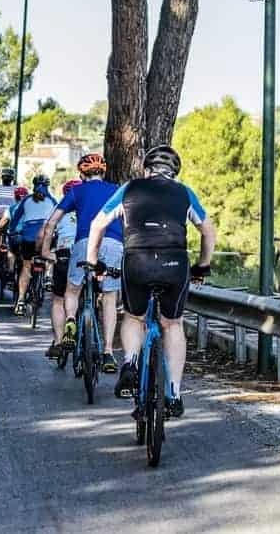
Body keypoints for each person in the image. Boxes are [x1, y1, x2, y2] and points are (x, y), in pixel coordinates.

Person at [87, 145, 216, 419]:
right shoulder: (184, 192)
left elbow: (97, 225)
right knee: (172, 324)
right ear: (174, 172)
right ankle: (174, 393)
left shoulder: (129, 189)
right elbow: (207, 229)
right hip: (174, 262)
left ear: (146, 169)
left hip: (137, 260)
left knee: (134, 317)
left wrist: (92, 261)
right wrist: (202, 265)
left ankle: (131, 364)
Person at [39, 153, 123, 374]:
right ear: (103, 171)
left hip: (85, 243)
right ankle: (107, 352)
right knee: (110, 297)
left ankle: (69, 321)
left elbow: (51, 223)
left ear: (81, 174)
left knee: (72, 290)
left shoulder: (76, 191)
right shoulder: (116, 190)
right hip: (114, 243)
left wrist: (46, 251)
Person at [6, 176, 57, 315]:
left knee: (26, 266)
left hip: (28, 237)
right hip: (46, 236)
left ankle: (21, 301)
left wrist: (11, 232)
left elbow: (16, 219)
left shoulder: (26, 200)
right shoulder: (52, 200)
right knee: (50, 252)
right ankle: (48, 275)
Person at [44, 179, 80, 359]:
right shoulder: (88, 209)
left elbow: (46, 231)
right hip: (86, 251)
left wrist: (45, 251)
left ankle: (58, 342)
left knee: (58, 299)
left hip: (64, 253)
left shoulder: (60, 211)